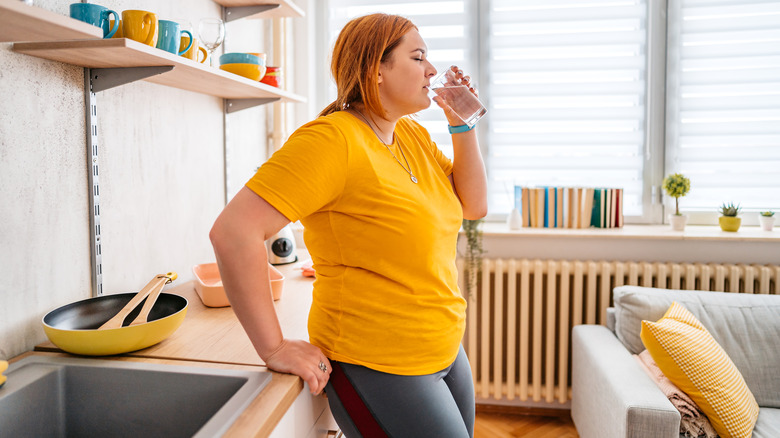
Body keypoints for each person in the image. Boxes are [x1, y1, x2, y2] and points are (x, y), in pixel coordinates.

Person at [209, 13, 487, 438]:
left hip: (445, 347)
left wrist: (462, 123)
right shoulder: (331, 140)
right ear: (377, 69)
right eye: (418, 57)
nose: (432, 70)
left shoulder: (411, 136)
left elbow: (474, 205)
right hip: (379, 361)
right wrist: (275, 347)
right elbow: (233, 232)